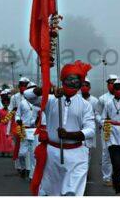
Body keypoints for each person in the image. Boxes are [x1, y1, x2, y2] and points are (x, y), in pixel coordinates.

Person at [25, 60, 95, 196]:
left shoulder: (85, 105)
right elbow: (29, 96)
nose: (72, 83)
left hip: (76, 155)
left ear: (80, 83)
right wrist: (44, 89)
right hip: (52, 154)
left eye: (76, 80)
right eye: (69, 80)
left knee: (71, 193)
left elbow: (90, 130)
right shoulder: (51, 100)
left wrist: (70, 135)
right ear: (63, 81)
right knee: (52, 192)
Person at [98, 74, 120, 186]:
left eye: (113, 82)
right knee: (107, 153)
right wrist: (103, 122)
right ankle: (106, 178)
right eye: (109, 82)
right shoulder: (102, 99)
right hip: (108, 128)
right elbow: (97, 113)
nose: (111, 84)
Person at [16, 82, 38, 179]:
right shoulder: (23, 103)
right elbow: (17, 114)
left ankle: (32, 175)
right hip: (24, 129)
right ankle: (23, 167)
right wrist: (18, 120)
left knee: (33, 154)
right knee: (22, 153)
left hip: (34, 130)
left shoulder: (39, 102)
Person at [11, 77, 30, 174]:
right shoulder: (14, 97)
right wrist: (14, 110)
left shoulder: (32, 97)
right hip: (17, 124)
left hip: (28, 125)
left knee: (27, 148)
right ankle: (18, 166)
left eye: (25, 85)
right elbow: (11, 112)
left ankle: (27, 167)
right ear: (19, 86)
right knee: (17, 145)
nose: (23, 87)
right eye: (22, 85)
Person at [0, 90, 15, 156]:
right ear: (2, 103)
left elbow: (12, 120)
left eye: (7, 103)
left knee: (8, 139)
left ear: (8, 104)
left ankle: (8, 152)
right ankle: (3, 152)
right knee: (2, 139)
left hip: (8, 126)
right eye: (4, 103)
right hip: (1, 126)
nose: (5, 104)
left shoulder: (10, 112)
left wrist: (12, 128)